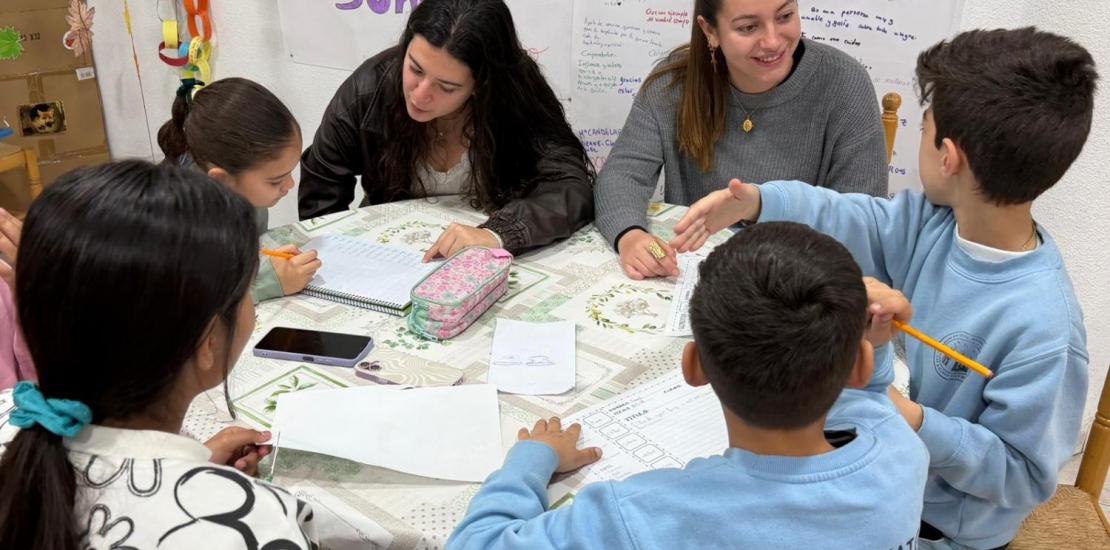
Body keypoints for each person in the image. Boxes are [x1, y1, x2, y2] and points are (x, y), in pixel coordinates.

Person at [671, 27, 1096, 549]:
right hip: (890, 461)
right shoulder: (936, 220)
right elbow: (856, 217)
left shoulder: (1045, 329)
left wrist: (913, 418)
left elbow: (1024, 477)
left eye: (923, 128)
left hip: (943, 527)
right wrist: (758, 201)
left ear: (949, 157)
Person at [447, 222, 929, 549]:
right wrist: (872, 345)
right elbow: (870, 406)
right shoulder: (902, 453)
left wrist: (531, 461)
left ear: (693, 365)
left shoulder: (644, 517)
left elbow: (474, 543)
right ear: (860, 365)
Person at [0, 160, 321, 549]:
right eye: (247, 290)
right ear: (207, 342)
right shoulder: (255, 524)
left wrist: (191, 464)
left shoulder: (15, 420)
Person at [594, 0, 888, 280]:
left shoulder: (845, 82)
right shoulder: (673, 83)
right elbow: (622, 174)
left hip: (800, 281)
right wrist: (630, 235)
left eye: (785, 16)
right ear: (710, 31)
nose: (773, 41)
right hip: (691, 277)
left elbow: (860, 225)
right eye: (749, 27)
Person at [298, 0, 594, 260]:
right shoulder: (368, 89)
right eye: (415, 69)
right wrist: (337, 259)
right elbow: (321, 189)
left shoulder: (516, 95)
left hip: (486, 253)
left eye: (447, 87)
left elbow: (569, 185)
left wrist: (499, 233)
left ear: (481, 87)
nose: (420, 94)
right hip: (393, 254)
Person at [158, 77, 321, 302]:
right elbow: (187, 302)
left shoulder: (246, 198)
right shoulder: (179, 223)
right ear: (222, 180)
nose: (290, 185)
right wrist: (268, 282)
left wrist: (268, 260)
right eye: (275, 181)